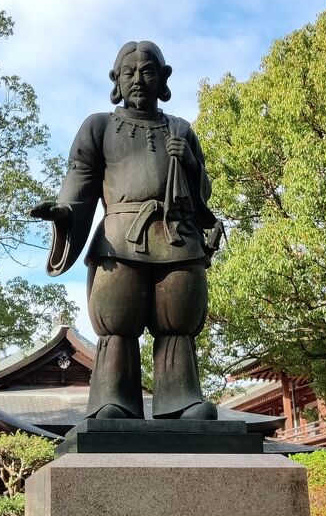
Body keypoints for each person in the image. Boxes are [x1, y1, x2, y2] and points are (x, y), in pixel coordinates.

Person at [32, 41, 221, 421]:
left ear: (163, 79)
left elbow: (203, 194)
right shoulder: (99, 126)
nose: (138, 79)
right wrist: (64, 212)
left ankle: (181, 399)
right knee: (117, 320)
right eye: (129, 72)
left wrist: (191, 166)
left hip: (177, 235)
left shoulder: (180, 128)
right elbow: (80, 179)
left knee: (177, 319)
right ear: (116, 80)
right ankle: (112, 400)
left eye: (148, 71)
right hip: (120, 237)